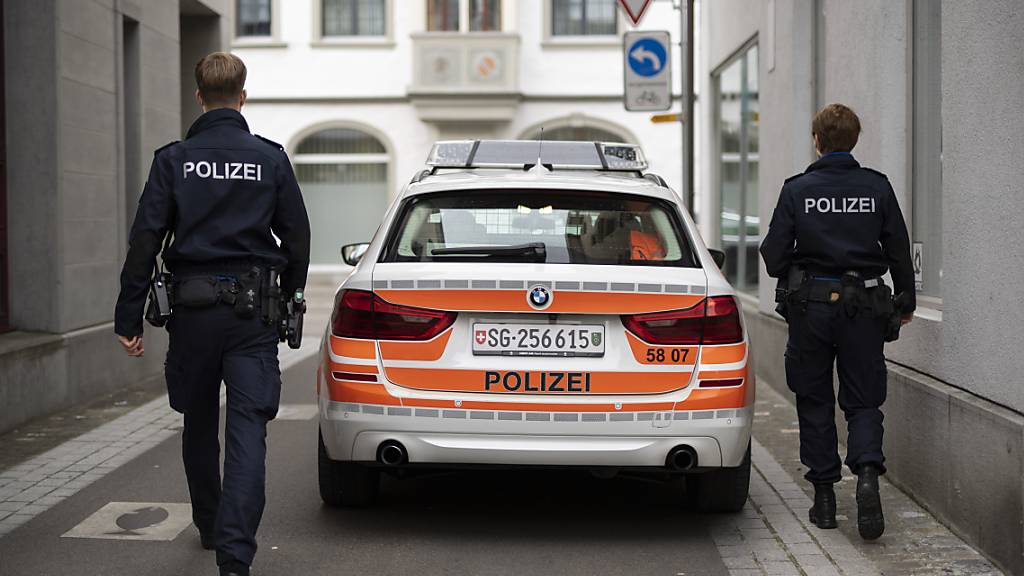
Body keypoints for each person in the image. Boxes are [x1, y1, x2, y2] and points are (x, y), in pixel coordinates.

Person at [113, 52, 310, 576]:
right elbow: (297, 237)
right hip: (253, 317)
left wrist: (128, 317)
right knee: (248, 430)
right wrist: (290, 299)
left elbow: (145, 240)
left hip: (193, 313)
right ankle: (234, 555)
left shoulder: (174, 159)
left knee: (198, 421)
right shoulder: (270, 159)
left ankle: (209, 523)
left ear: (199, 96)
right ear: (242, 96)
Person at [760, 103, 915, 541]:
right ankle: (867, 473)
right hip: (865, 305)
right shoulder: (877, 188)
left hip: (811, 305)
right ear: (854, 140)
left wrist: (800, 264)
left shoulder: (797, 190)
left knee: (813, 397)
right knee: (864, 399)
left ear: (817, 141)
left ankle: (825, 500)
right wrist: (906, 301)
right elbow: (900, 251)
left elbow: (773, 256)